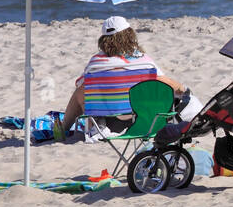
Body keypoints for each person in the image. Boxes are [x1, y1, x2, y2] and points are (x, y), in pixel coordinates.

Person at [58, 16, 200, 136]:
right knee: (156, 82)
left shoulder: (96, 63)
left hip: (110, 123)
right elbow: (164, 81)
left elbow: (80, 86)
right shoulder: (144, 62)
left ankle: (64, 128)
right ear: (130, 35)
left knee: (81, 90)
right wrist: (182, 89)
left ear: (103, 40)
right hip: (141, 121)